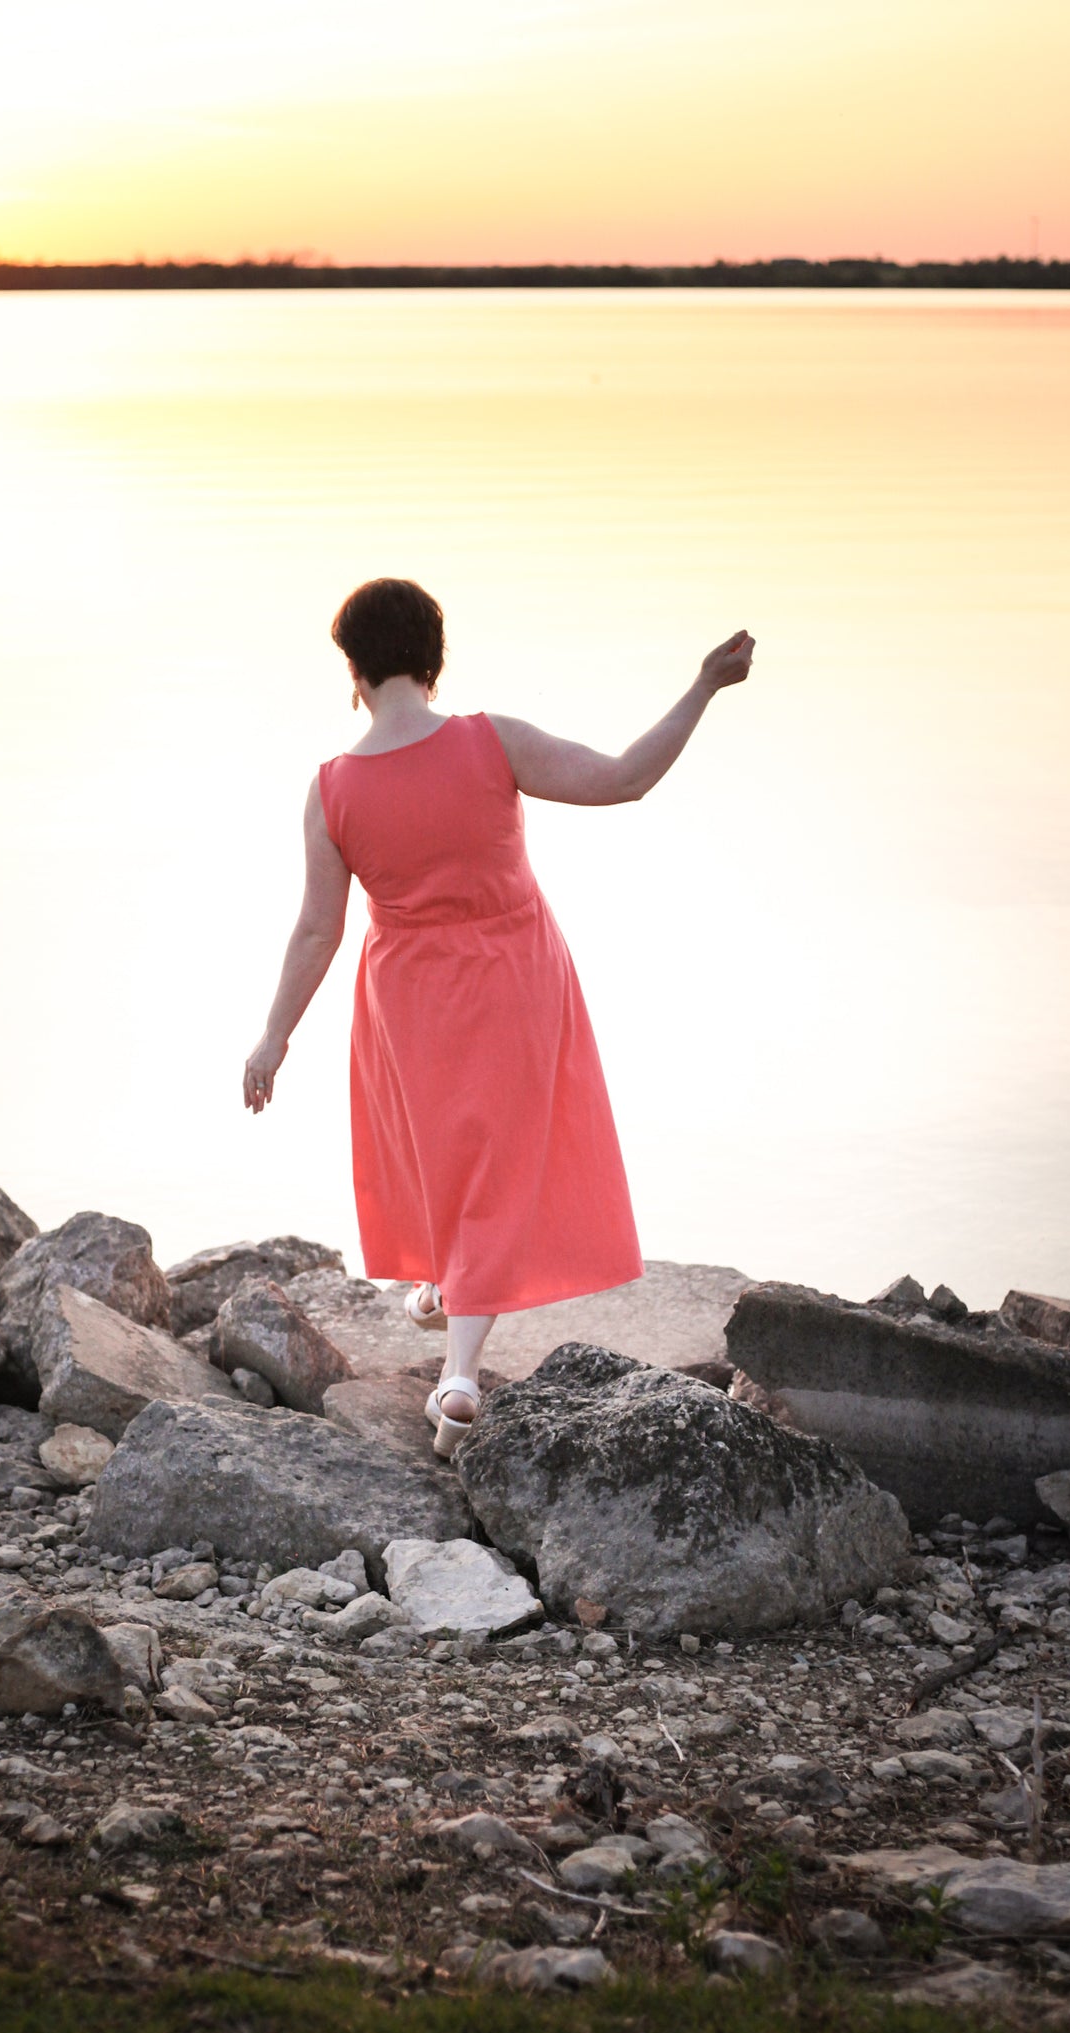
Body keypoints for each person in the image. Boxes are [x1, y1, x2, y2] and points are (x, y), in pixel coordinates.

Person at [244, 577, 754, 1458]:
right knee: (494, 1159)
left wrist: (273, 1036)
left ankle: (453, 1327)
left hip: (405, 990)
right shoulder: (492, 742)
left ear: (354, 670)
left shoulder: (332, 789)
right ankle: (459, 1377)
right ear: (433, 661)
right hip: (513, 974)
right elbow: (623, 779)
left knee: (446, 1150)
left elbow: (318, 928)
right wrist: (703, 685)